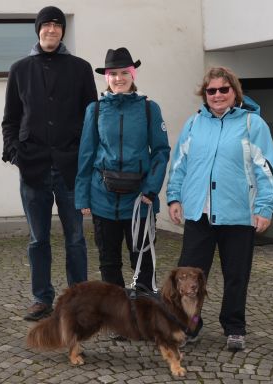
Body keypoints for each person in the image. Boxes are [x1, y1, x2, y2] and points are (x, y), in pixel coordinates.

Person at [166, 66, 273, 351]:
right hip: (198, 214)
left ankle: (234, 327)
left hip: (239, 214)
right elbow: (179, 165)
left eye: (223, 89)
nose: (217, 95)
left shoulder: (253, 124)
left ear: (234, 92)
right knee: (188, 279)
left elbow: (267, 169)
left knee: (236, 275)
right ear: (204, 95)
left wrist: (265, 208)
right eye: (211, 90)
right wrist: (174, 198)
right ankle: (190, 326)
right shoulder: (194, 124)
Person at [1, 6, 97, 321]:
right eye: (46, 26)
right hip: (33, 167)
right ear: (38, 30)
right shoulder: (20, 69)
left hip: (70, 169)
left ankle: (78, 298)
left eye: (57, 26)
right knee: (38, 239)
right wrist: (15, 153)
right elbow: (10, 120)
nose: (52, 30)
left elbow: (91, 119)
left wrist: (86, 159)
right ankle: (41, 298)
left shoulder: (81, 69)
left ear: (63, 32)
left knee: (76, 238)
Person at [75, 47, 170, 293]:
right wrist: (82, 196)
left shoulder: (150, 109)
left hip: (140, 200)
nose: (119, 78)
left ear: (133, 75)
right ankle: (117, 318)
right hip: (102, 199)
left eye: (124, 73)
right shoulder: (94, 110)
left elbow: (161, 152)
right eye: (113, 73)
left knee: (142, 261)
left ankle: (145, 314)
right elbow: (86, 154)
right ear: (106, 77)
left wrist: (151, 189)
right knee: (109, 263)